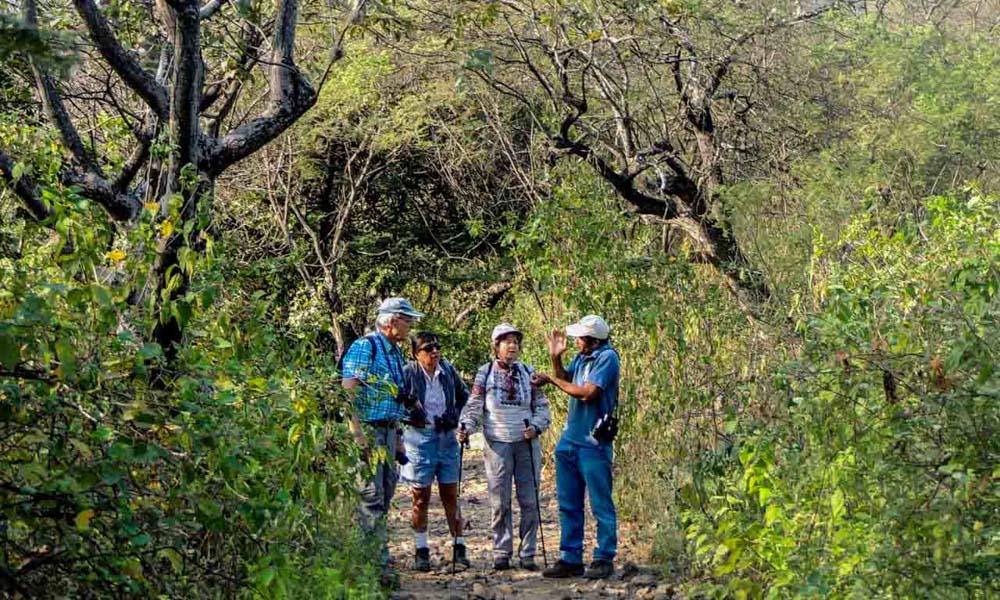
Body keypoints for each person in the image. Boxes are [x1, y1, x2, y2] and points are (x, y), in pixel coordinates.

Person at [341, 297, 425, 573]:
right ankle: (374, 568)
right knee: (371, 497)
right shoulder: (366, 347)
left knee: (385, 495)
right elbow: (348, 391)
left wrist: (399, 438)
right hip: (369, 431)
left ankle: (377, 560)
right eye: (407, 319)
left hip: (388, 432)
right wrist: (357, 435)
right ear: (391, 321)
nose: (410, 324)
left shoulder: (393, 352)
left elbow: (394, 399)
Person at [459, 323, 551, 571]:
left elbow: (542, 407)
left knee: (530, 501)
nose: (512, 346)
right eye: (507, 341)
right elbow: (475, 403)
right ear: (496, 346)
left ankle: (528, 552)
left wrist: (536, 426)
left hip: (526, 442)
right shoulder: (485, 372)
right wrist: (465, 426)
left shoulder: (528, 372)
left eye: (516, 342)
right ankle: (502, 551)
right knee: (500, 501)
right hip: (497, 443)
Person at [534, 315, 621, 580]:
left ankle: (604, 556)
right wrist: (555, 359)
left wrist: (551, 379)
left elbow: (586, 392)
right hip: (571, 439)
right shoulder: (584, 357)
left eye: (580, 338)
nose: (577, 342)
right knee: (568, 503)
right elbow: (566, 378)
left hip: (593, 443)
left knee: (600, 502)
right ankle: (570, 557)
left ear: (593, 340)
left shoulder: (607, 358)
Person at [400, 331, 471, 571]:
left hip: (446, 437)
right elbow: (396, 401)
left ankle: (459, 546)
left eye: (437, 347)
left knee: (450, 493)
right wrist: (410, 415)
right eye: (428, 348)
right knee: (420, 496)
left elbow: (464, 396)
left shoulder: (448, 371)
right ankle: (421, 550)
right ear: (416, 353)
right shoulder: (408, 372)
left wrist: (456, 417)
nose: (434, 352)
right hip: (419, 439)